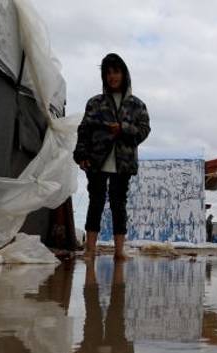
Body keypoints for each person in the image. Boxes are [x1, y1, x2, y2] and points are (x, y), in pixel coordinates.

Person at [74, 53, 151, 260]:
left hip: (123, 162)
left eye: (116, 72)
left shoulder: (137, 105)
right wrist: (81, 154)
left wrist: (123, 129)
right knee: (95, 202)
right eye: (107, 73)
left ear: (124, 74)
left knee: (119, 204)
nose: (112, 76)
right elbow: (84, 130)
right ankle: (90, 250)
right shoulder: (95, 103)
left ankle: (119, 251)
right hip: (97, 160)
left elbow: (144, 131)